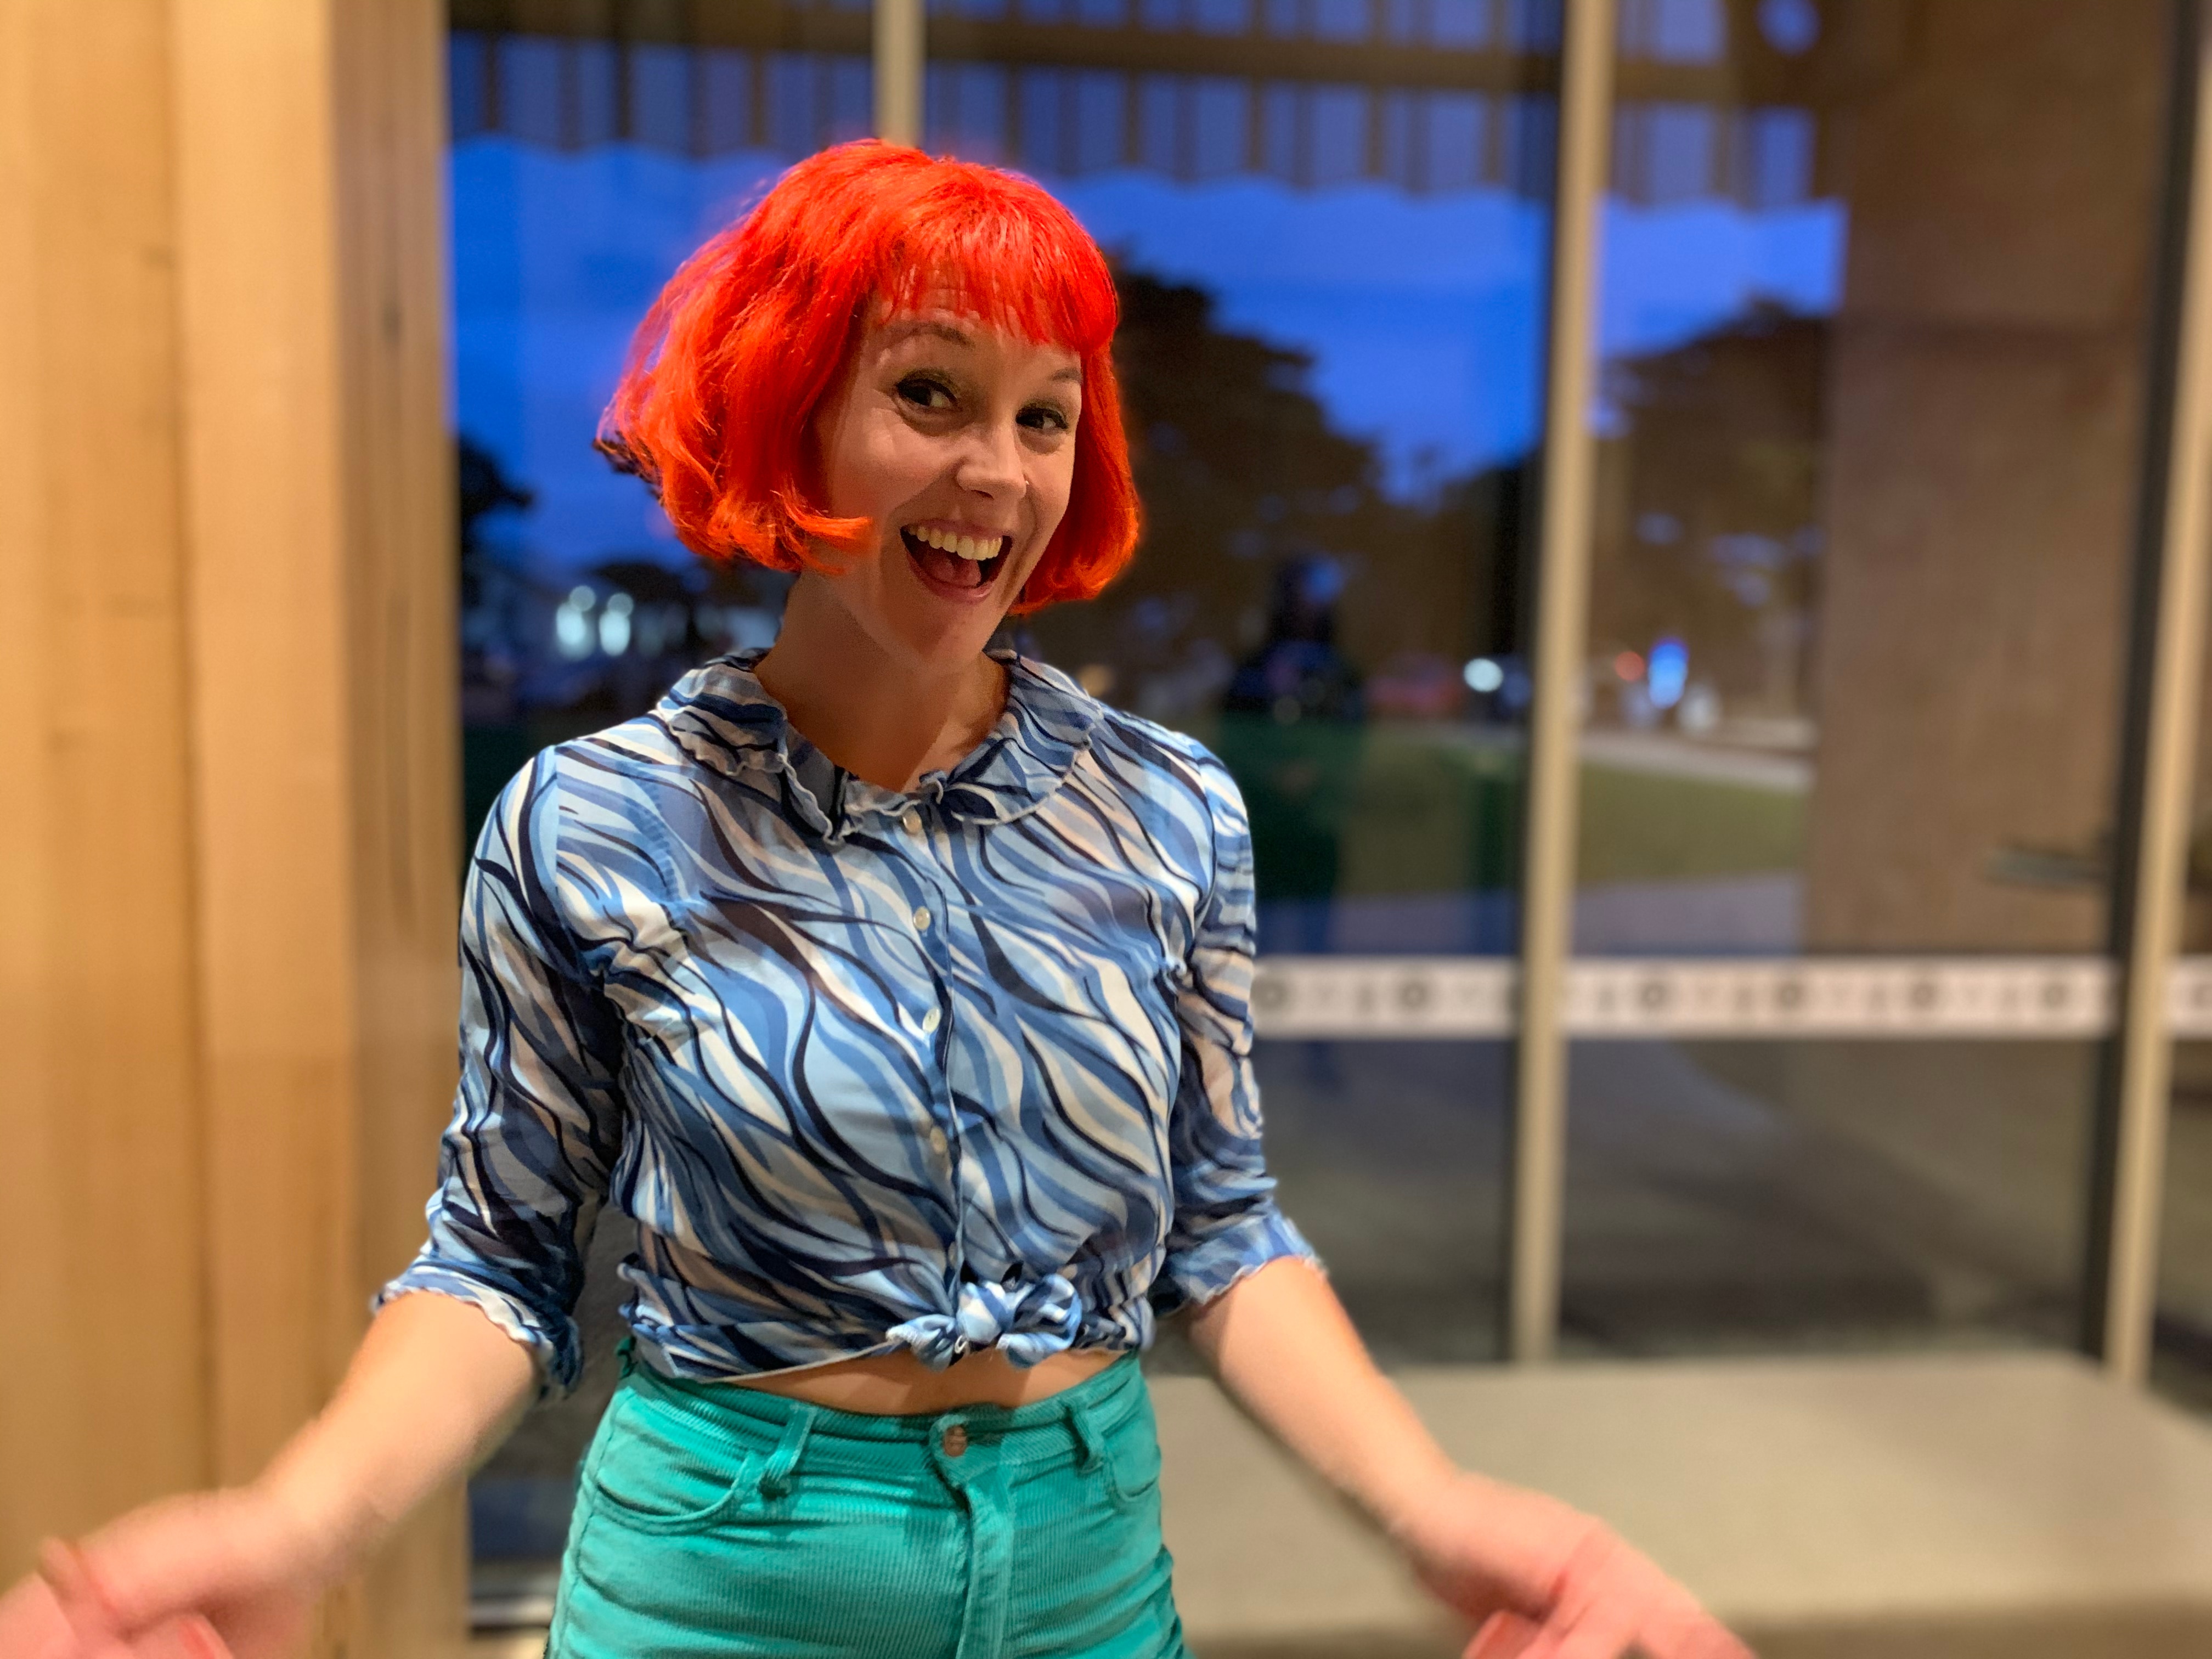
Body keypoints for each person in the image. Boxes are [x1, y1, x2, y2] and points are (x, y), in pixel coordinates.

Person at [0, 141, 1752, 1659]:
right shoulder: (593, 822)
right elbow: (501, 1258)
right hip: (723, 1578)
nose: (998, 471)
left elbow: (1221, 1234)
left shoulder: (1166, 811)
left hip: (1089, 1570)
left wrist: (1436, 1515)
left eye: (1044, 415)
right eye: (931, 394)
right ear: (791, 407)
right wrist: (298, 1527)